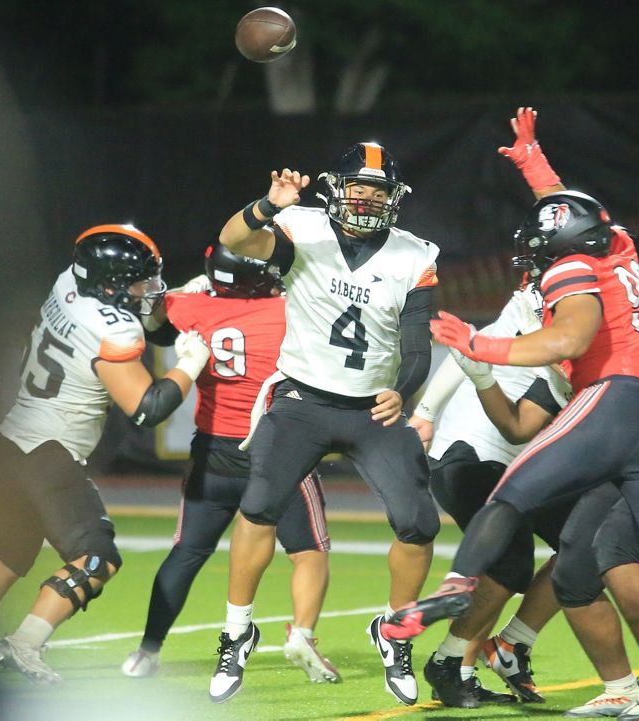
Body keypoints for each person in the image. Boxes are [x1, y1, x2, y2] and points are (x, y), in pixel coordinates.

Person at [381, 189, 639, 721]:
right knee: (586, 562)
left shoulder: (579, 280)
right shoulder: (622, 281)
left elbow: (567, 341)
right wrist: (483, 378)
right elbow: (520, 421)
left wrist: (482, 349)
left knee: (524, 501)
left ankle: (459, 585)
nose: (541, 285)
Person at [209, 142, 440, 705]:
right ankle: (237, 632)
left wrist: (403, 389)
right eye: (358, 187)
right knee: (258, 506)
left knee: (419, 524)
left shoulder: (414, 255)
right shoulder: (303, 228)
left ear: (393, 198)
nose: (366, 199)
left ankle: (394, 630)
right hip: (302, 400)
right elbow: (233, 240)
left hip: (371, 409)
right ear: (336, 189)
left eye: (378, 191)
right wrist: (268, 205)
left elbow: (417, 343)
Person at [0, 224, 211, 684]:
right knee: (96, 556)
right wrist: (191, 361)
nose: (148, 288)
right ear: (109, 286)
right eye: (140, 282)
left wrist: (171, 303)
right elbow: (148, 408)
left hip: (12, 441)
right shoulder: (111, 327)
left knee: (10, 553)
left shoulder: (68, 282)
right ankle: (24, 643)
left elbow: (142, 316)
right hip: (48, 453)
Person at [121, 243, 337, 684]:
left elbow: (152, 320)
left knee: (187, 552)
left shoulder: (191, 307)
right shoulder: (289, 310)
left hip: (214, 454)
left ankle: (147, 651)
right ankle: (303, 634)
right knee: (309, 552)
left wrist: (189, 293)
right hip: (279, 451)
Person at [408, 286, 565, 708]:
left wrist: (426, 412)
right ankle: (450, 661)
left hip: (518, 461)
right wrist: (426, 413)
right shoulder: (554, 303)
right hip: (477, 451)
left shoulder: (571, 305)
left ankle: (499, 650)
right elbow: (474, 347)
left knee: (590, 542)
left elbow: (476, 343)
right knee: (510, 563)